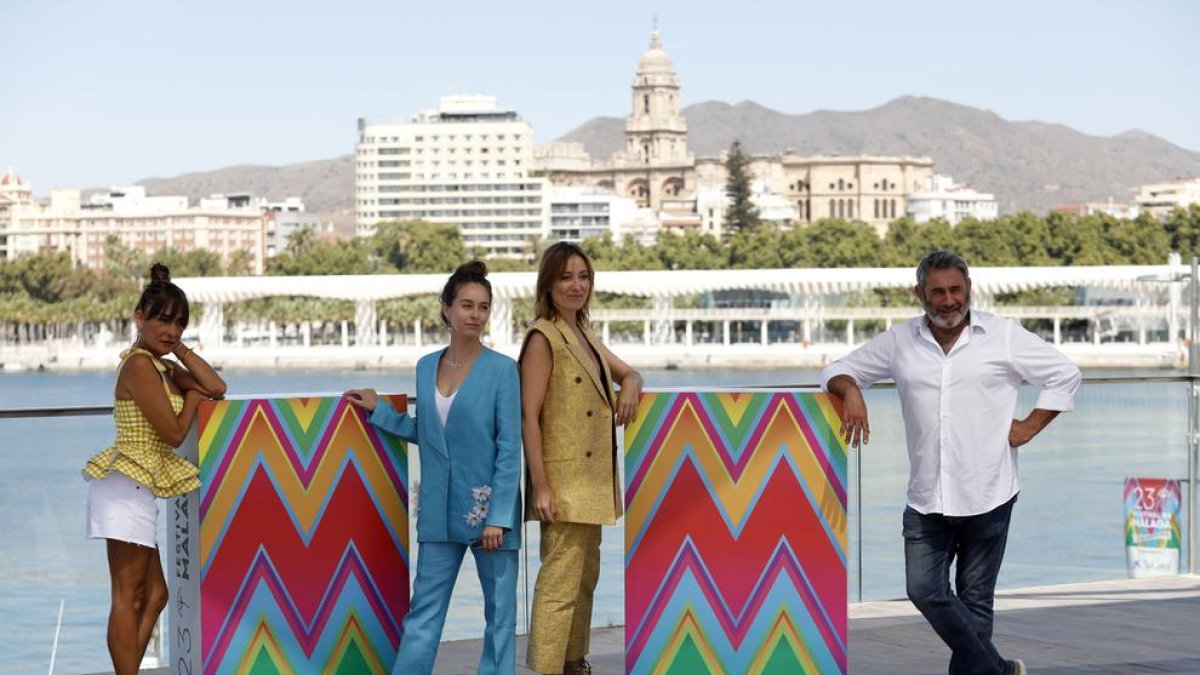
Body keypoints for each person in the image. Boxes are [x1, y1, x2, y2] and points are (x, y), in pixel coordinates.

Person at [821, 250, 1080, 675]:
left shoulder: (1004, 336)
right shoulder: (899, 341)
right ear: (919, 293)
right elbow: (838, 368)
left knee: (976, 601)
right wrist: (850, 390)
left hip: (989, 491)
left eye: (955, 290)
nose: (948, 300)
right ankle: (999, 670)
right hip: (926, 496)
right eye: (937, 291)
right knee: (923, 590)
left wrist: (1030, 426)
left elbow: (1065, 374)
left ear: (969, 289)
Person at [345, 260, 521, 675]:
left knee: (499, 618)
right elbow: (427, 433)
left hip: (489, 514)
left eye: (482, 307)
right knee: (423, 612)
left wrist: (498, 517)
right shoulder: (426, 366)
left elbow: (509, 450)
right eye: (466, 305)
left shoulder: (503, 371)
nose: (475, 315)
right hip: (439, 512)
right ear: (446, 308)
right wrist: (380, 413)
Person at [82, 263, 226, 675]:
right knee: (129, 595)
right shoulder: (140, 367)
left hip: (136, 487)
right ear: (138, 318)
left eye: (179, 323)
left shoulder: (159, 365)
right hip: (124, 483)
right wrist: (193, 401)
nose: (172, 330)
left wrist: (179, 350)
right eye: (163, 320)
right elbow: (175, 433)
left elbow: (217, 387)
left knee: (157, 594)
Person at [521, 241, 643, 675]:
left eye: (584, 277)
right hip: (562, 483)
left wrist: (628, 388)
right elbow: (528, 416)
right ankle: (547, 668)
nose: (576, 285)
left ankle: (574, 662)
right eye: (566, 277)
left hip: (593, 483)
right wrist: (541, 485)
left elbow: (630, 372)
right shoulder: (543, 337)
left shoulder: (585, 334)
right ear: (549, 284)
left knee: (584, 581)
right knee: (558, 586)